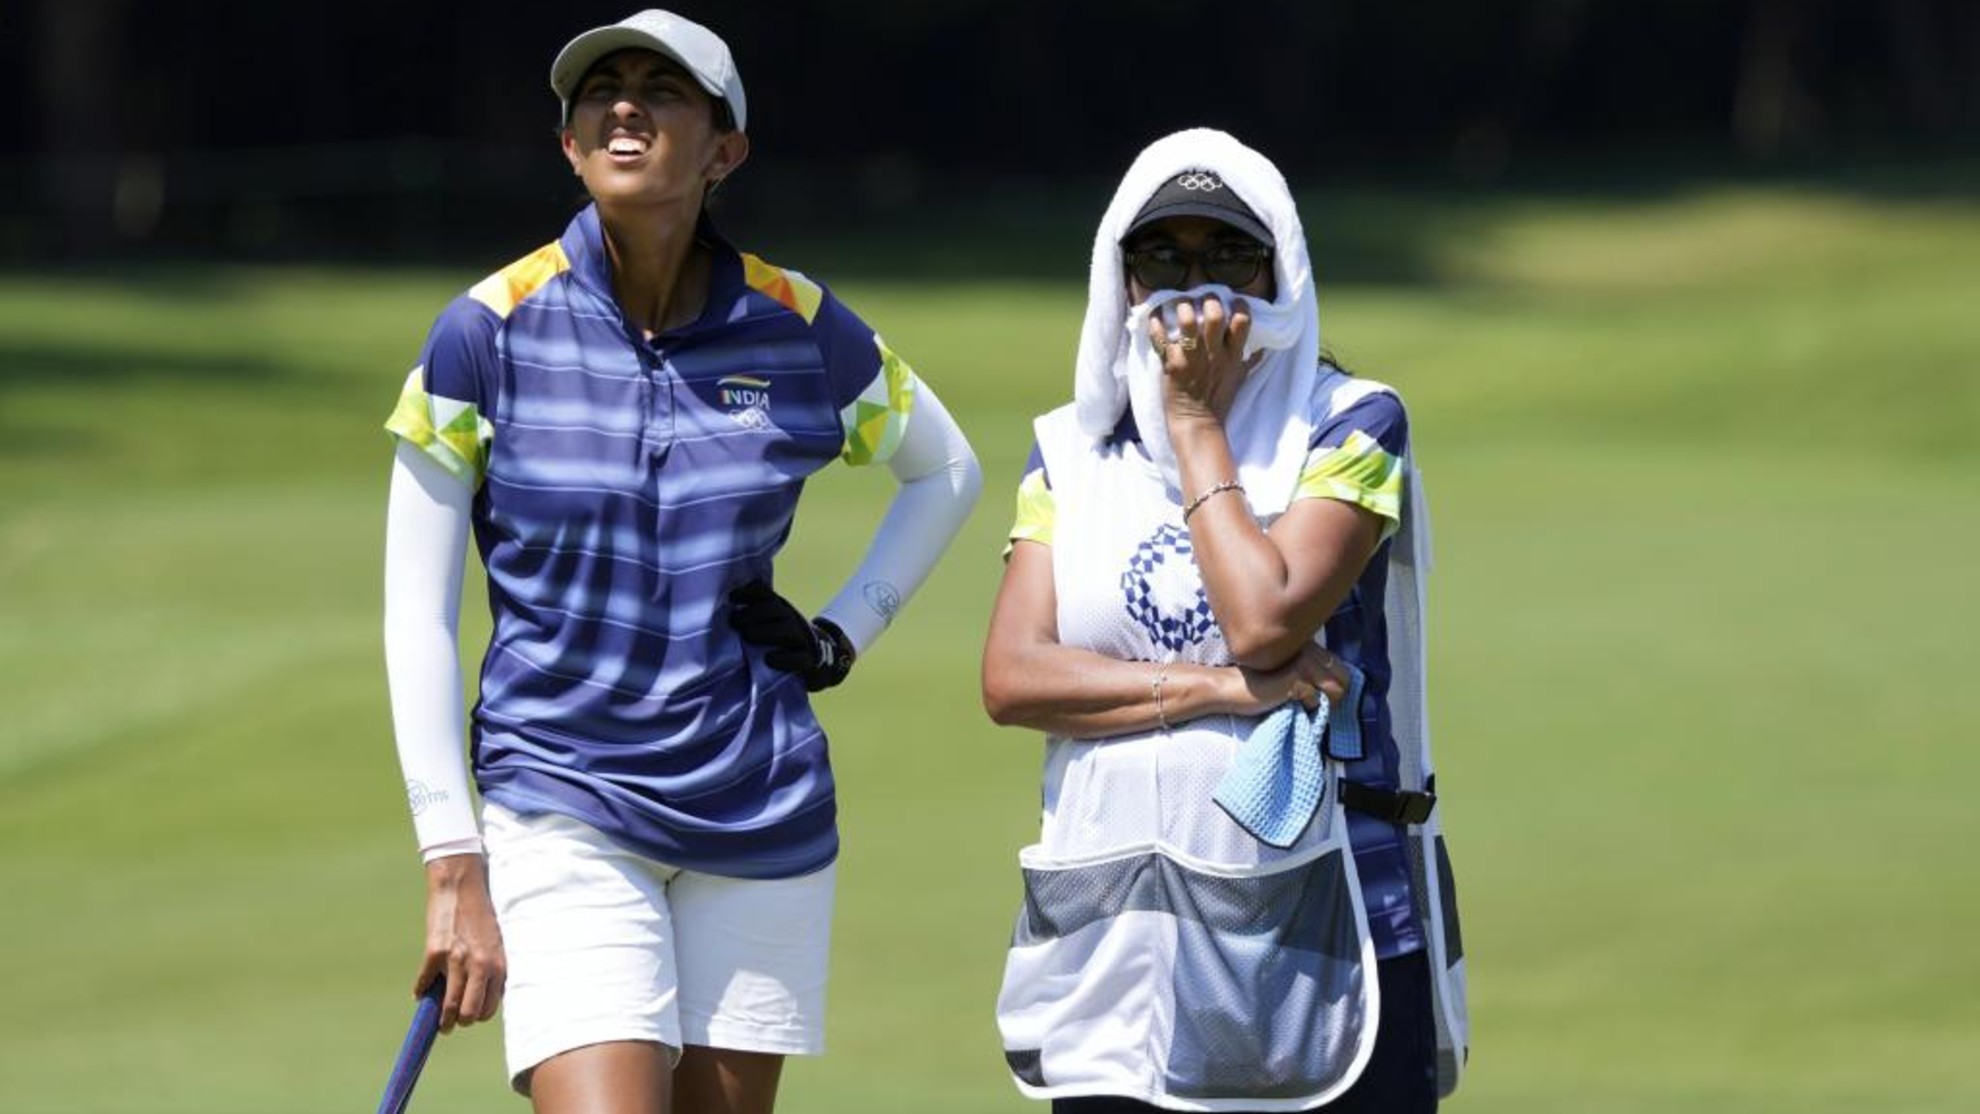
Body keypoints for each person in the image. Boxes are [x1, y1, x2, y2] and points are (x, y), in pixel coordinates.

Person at [379, 11, 981, 1113]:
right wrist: (451, 859)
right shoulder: (485, 331)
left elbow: (946, 472)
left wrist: (847, 628)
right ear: (568, 145)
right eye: (599, 90)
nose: (624, 105)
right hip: (561, 798)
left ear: (724, 149)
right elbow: (414, 616)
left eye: (663, 89)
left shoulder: (797, 324)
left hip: (759, 811)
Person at [981, 129, 1467, 1112]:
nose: (1196, 290)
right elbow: (1015, 677)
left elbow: (1265, 621)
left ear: (1280, 274)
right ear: (1118, 279)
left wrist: (1198, 424)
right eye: (1162, 256)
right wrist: (1213, 694)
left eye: (1230, 257)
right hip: (1115, 934)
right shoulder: (1069, 452)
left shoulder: (1354, 426)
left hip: (1327, 923)